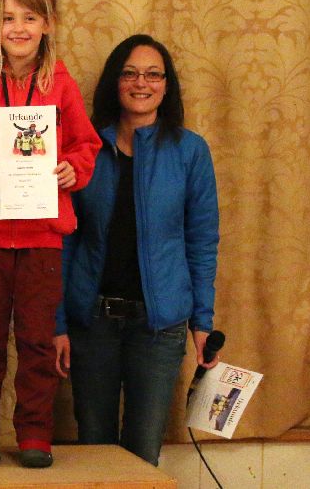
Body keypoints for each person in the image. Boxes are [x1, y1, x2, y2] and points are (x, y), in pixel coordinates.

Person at [0, 0, 101, 468]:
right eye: (9, 18)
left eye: (29, 18)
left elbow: (85, 145)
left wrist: (75, 169)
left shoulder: (61, 85)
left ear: (46, 25)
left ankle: (34, 433)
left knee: (36, 343)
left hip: (42, 240)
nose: (19, 28)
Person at [54, 34, 220, 465]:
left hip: (159, 327)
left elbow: (202, 243)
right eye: (129, 73)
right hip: (92, 322)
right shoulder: (85, 150)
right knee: (94, 451)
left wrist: (202, 323)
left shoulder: (190, 151)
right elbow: (64, 238)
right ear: (115, 82)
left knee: (144, 453)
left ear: (167, 85)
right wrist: (58, 323)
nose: (141, 83)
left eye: (152, 74)